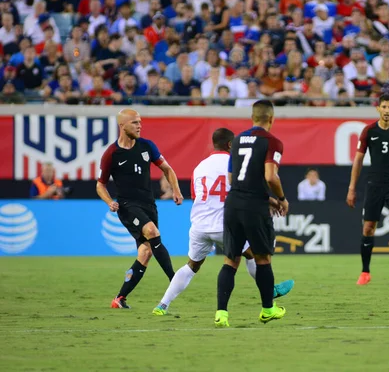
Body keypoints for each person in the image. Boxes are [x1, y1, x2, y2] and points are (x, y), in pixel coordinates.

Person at [152, 128, 294, 316]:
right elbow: (243, 189)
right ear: (229, 145)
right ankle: (270, 293)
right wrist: (274, 202)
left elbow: (196, 196)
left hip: (200, 224)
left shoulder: (200, 167)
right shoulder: (233, 162)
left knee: (192, 266)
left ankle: (162, 305)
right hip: (224, 223)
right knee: (255, 256)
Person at [97, 108, 183, 309]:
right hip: (127, 206)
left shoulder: (147, 146)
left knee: (145, 253)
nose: (139, 126)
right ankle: (176, 280)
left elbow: (167, 169)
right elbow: (100, 184)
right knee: (152, 231)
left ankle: (119, 299)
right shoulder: (111, 153)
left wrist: (176, 190)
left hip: (149, 205)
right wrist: (109, 201)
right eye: (135, 122)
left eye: (140, 122)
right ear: (122, 126)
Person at [214, 100, 289, 327]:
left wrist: (268, 199)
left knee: (231, 260)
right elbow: (270, 176)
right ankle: (268, 309)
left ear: (252, 118)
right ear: (271, 119)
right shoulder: (272, 141)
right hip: (254, 207)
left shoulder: (236, 141)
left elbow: (231, 179)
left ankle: (221, 314)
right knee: (262, 258)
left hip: (233, 203)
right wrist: (281, 199)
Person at [346, 94, 389, 286]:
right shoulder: (368, 131)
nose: (386, 110)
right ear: (378, 109)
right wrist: (351, 188)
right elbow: (358, 160)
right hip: (374, 184)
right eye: (383, 107)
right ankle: (365, 272)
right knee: (368, 227)